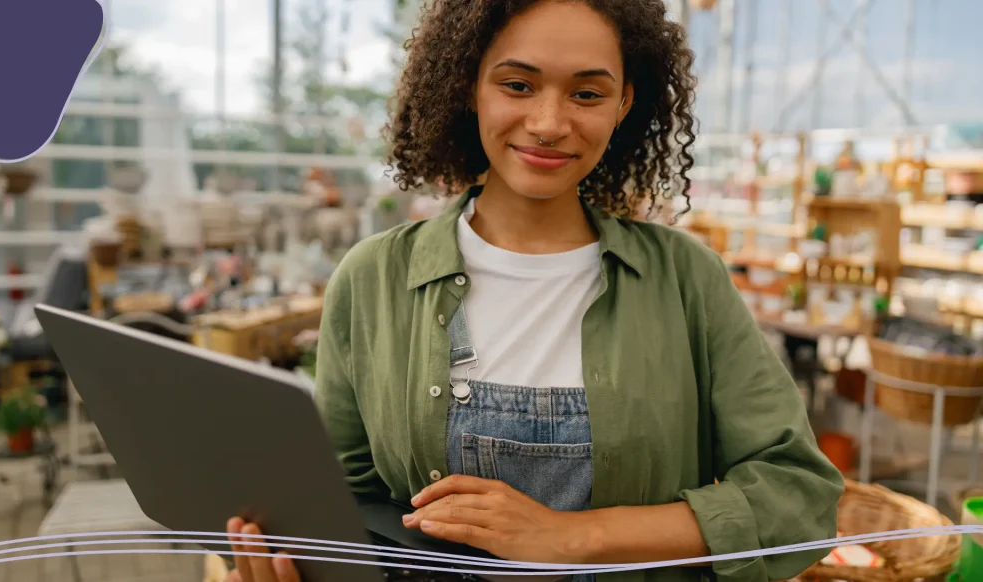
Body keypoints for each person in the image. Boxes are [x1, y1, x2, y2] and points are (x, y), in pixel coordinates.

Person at [224, 0, 845, 581]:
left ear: (624, 103)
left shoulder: (686, 280)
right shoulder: (374, 278)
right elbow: (344, 498)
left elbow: (798, 496)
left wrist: (572, 536)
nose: (549, 124)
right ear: (471, 86)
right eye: (517, 85)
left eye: (587, 93)